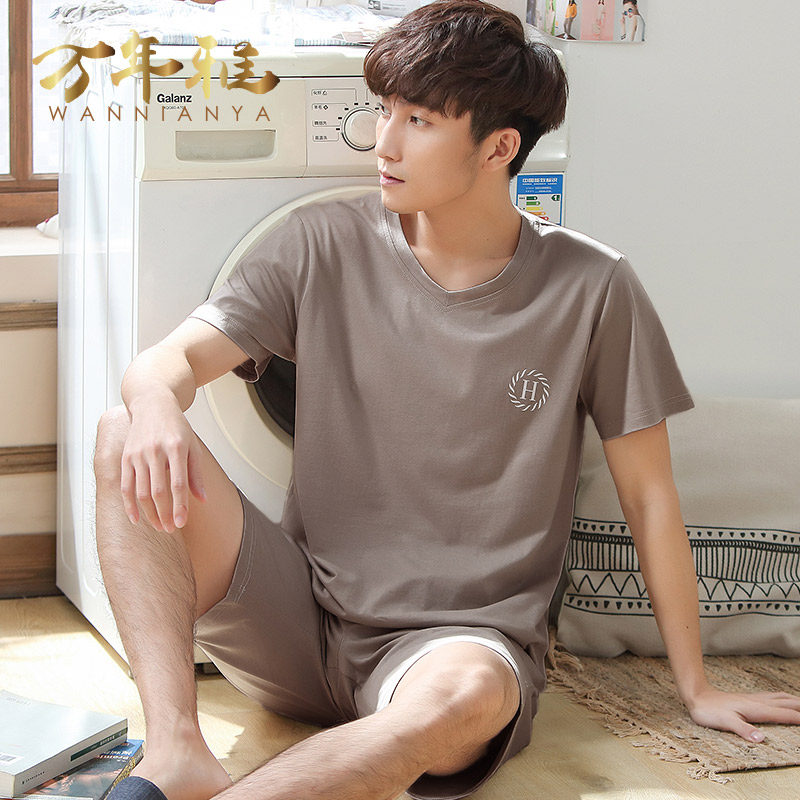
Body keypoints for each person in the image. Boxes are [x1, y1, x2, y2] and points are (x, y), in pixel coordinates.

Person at [94, 2, 800, 800]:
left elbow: (650, 496)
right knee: (123, 429)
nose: (383, 142)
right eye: (385, 110)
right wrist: (156, 401)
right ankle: (175, 752)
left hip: (457, 649)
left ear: (499, 148)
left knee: (467, 696)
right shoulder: (320, 243)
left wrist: (696, 687)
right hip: (299, 615)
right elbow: (167, 363)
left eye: (419, 121)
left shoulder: (594, 287)